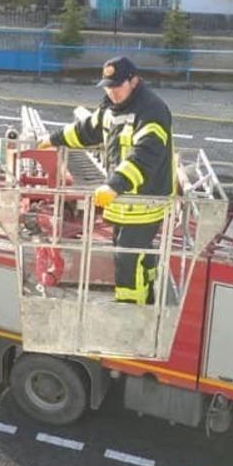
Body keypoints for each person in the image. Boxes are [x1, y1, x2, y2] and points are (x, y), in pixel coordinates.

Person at [42, 56, 174, 304]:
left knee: (126, 256)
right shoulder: (112, 108)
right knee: (134, 251)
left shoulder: (152, 111)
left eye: (117, 86)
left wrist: (114, 185)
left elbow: (145, 155)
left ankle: (131, 305)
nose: (112, 92)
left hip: (144, 203)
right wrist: (54, 139)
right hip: (124, 203)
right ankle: (148, 285)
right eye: (107, 86)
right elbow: (87, 130)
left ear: (133, 81)